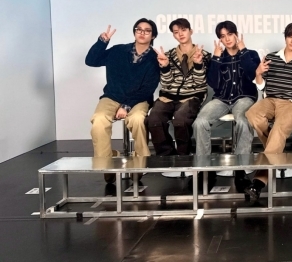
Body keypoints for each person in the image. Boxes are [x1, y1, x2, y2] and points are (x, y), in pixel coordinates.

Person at [244, 23, 292, 200]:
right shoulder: (271, 58)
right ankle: (276, 149)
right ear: (285, 37)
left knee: (278, 130)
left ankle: (258, 182)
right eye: (290, 36)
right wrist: (258, 73)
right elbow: (261, 86)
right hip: (270, 99)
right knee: (252, 114)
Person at [86, 19, 160, 184]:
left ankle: (140, 161)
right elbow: (91, 61)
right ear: (134, 32)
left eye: (147, 30)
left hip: (139, 99)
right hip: (112, 96)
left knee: (138, 119)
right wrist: (102, 42)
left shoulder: (155, 58)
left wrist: (126, 106)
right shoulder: (118, 50)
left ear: (153, 35)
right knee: (99, 120)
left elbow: (148, 88)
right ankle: (106, 161)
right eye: (139, 29)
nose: (142, 33)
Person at [192, 20, 260, 190]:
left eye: (230, 34)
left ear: (236, 34)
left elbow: (253, 75)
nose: (227, 39)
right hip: (221, 99)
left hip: (244, 97)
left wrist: (243, 51)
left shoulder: (251, 54)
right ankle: (205, 169)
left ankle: (240, 170)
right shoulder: (218, 58)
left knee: (243, 121)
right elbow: (213, 83)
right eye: (223, 36)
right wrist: (215, 59)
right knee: (200, 122)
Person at [146, 18, 210, 157]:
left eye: (183, 30)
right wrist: (165, 67)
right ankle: (166, 156)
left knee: (181, 120)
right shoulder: (167, 56)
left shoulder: (204, 55)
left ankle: (183, 156)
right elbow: (166, 84)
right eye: (176, 32)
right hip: (168, 97)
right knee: (154, 119)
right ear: (173, 35)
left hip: (192, 96)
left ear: (190, 31)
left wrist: (198, 64)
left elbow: (200, 83)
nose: (180, 34)